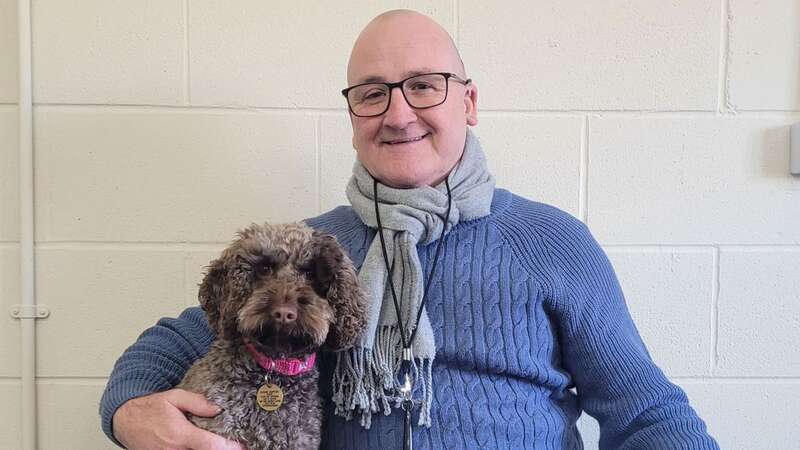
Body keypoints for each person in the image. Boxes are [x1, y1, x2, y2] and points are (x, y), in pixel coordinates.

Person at [100, 9, 719, 450]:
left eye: (424, 85)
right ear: (352, 116)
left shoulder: (549, 242)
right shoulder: (308, 256)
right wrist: (130, 414)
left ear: (468, 102)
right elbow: (173, 344)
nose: (399, 114)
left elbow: (644, 411)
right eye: (373, 93)